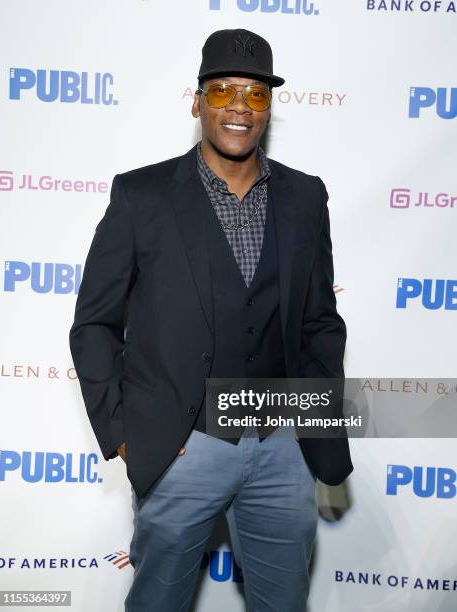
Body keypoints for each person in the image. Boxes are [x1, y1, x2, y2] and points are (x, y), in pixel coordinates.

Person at [69, 27, 353, 612]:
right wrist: (127, 437)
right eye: (223, 91)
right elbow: (93, 325)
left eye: (255, 94)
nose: (239, 109)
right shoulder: (141, 196)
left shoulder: (305, 198)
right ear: (198, 101)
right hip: (180, 448)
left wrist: (312, 434)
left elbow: (321, 323)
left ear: (270, 106)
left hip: (281, 449)